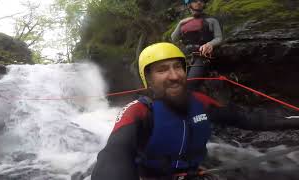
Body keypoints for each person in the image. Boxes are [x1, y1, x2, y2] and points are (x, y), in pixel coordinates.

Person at [91, 42, 299, 180]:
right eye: (162, 70)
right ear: (148, 80)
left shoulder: (200, 102)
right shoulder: (139, 111)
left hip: (195, 173)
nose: (174, 76)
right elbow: (113, 155)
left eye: (178, 67)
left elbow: (251, 119)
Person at [171, 0, 222, 80]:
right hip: (185, 56)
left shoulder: (211, 20)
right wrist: (180, 24)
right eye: (195, 1)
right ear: (189, 4)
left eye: (201, 1)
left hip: (203, 56)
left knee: (190, 82)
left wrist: (209, 44)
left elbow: (219, 38)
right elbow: (174, 38)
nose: (198, 3)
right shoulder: (184, 22)